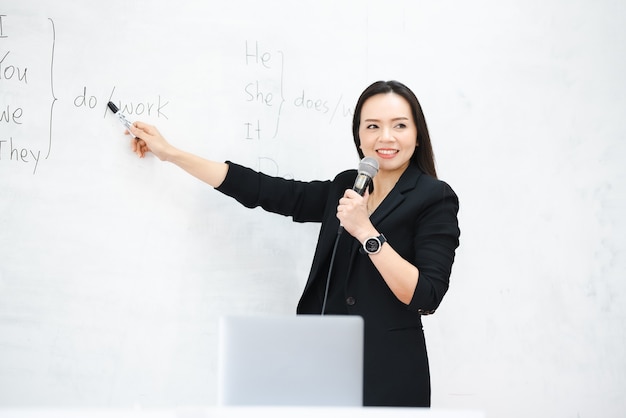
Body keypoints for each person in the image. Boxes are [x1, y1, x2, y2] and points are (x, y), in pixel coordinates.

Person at [127, 80, 460, 407]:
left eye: (399, 125)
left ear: (417, 136)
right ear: (359, 135)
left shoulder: (434, 197)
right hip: (321, 369)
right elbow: (267, 191)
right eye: (372, 126)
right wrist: (171, 154)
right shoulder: (347, 185)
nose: (385, 137)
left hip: (389, 375)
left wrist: (366, 232)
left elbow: (425, 296)